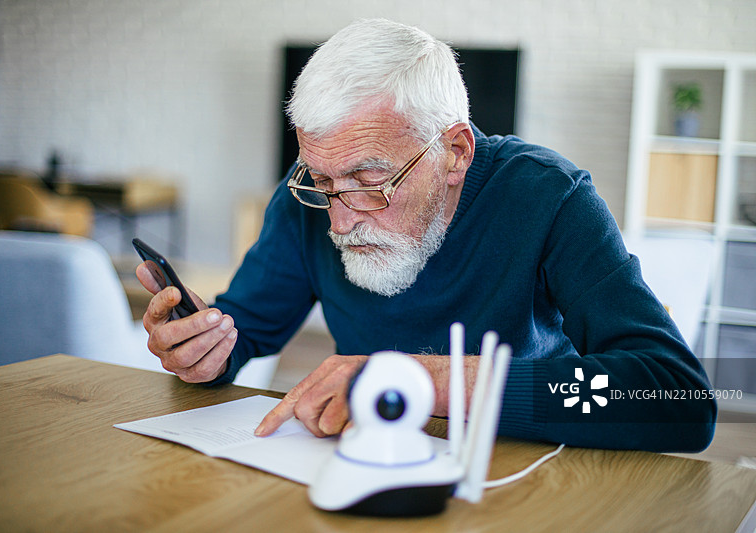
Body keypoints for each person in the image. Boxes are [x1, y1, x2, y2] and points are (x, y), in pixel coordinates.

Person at [136, 18, 716, 452]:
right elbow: (247, 329)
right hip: (371, 459)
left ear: (455, 151)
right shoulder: (306, 198)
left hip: (528, 467)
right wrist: (203, 349)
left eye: (370, 179)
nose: (339, 221)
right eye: (322, 179)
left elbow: (675, 396)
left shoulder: (550, 196)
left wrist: (429, 379)